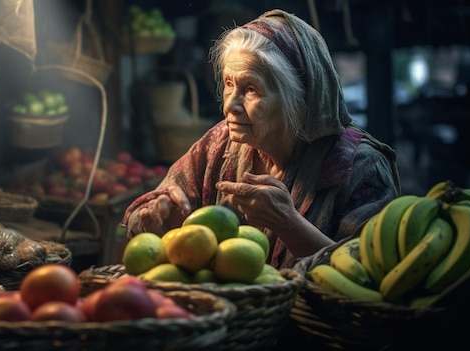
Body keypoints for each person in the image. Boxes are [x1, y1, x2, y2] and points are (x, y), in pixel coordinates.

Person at [121, 9, 401, 269]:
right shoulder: (220, 144)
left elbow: (373, 279)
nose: (230, 105)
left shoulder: (361, 168)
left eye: (251, 89)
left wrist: (289, 225)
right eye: (229, 84)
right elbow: (140, 217)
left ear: (297, 99)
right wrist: (155, 217)